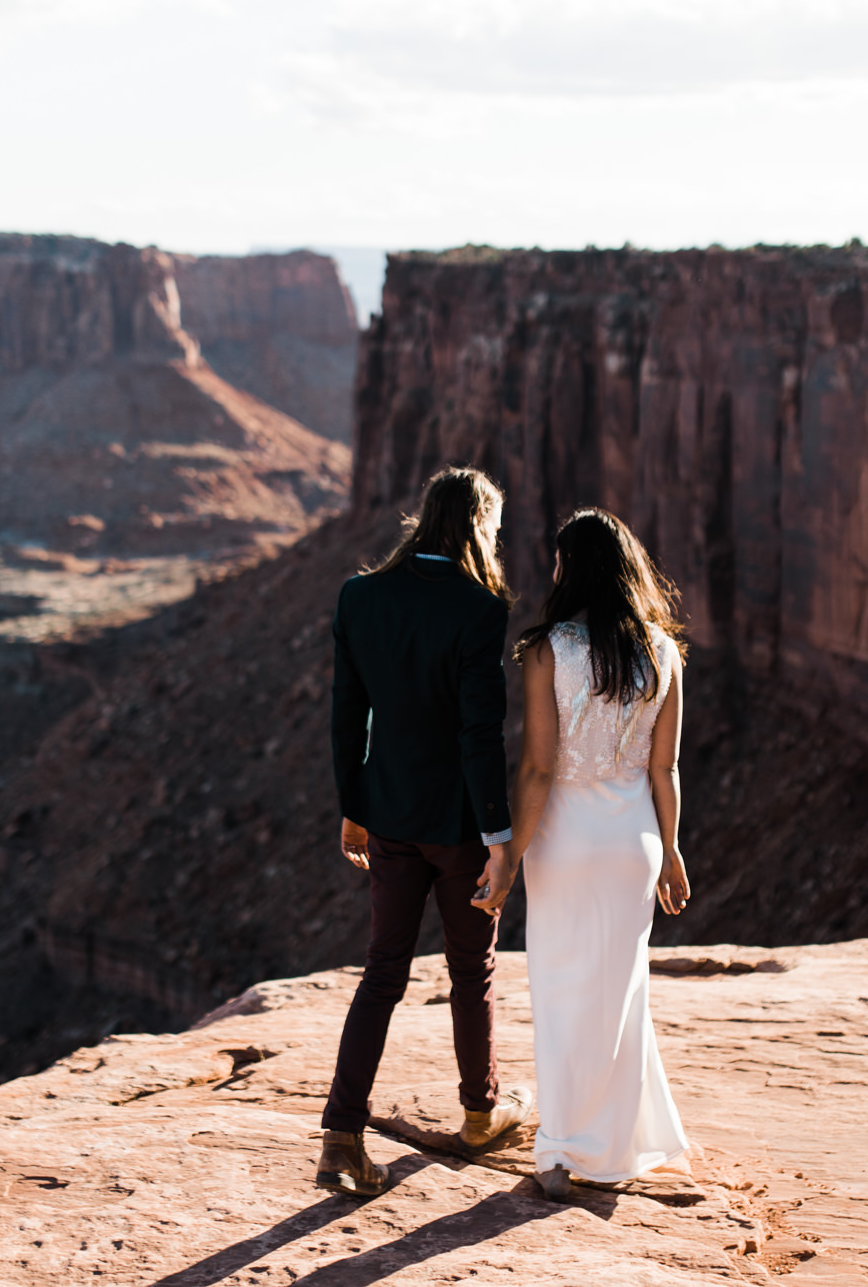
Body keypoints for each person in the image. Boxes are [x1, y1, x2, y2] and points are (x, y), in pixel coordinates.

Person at [316, 466, 535, 1197]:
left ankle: (342, 1135)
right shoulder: (480, 607)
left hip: (390, 814)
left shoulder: (360, 595)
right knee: (471, 969)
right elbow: (480, 732)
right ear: (478, 524)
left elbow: (348, 713)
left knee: (383, 970)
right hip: (458, 824)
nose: (498, 540)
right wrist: (500, 839)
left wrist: (354, 804)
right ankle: (480, 1113)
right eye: (495, 528)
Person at [474, 507, 692, 1203]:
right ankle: (619, 1143)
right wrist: (675, 851)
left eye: (561, 560)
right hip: (635, 840)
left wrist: (508, 855)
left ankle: (563, 1148)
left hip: (566, 839)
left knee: (563, 989)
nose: (555, 571)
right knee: (622, 991)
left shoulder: (547, 650)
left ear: (574, 568)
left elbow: (538, 768)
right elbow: (667, 769)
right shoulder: (663, 651)